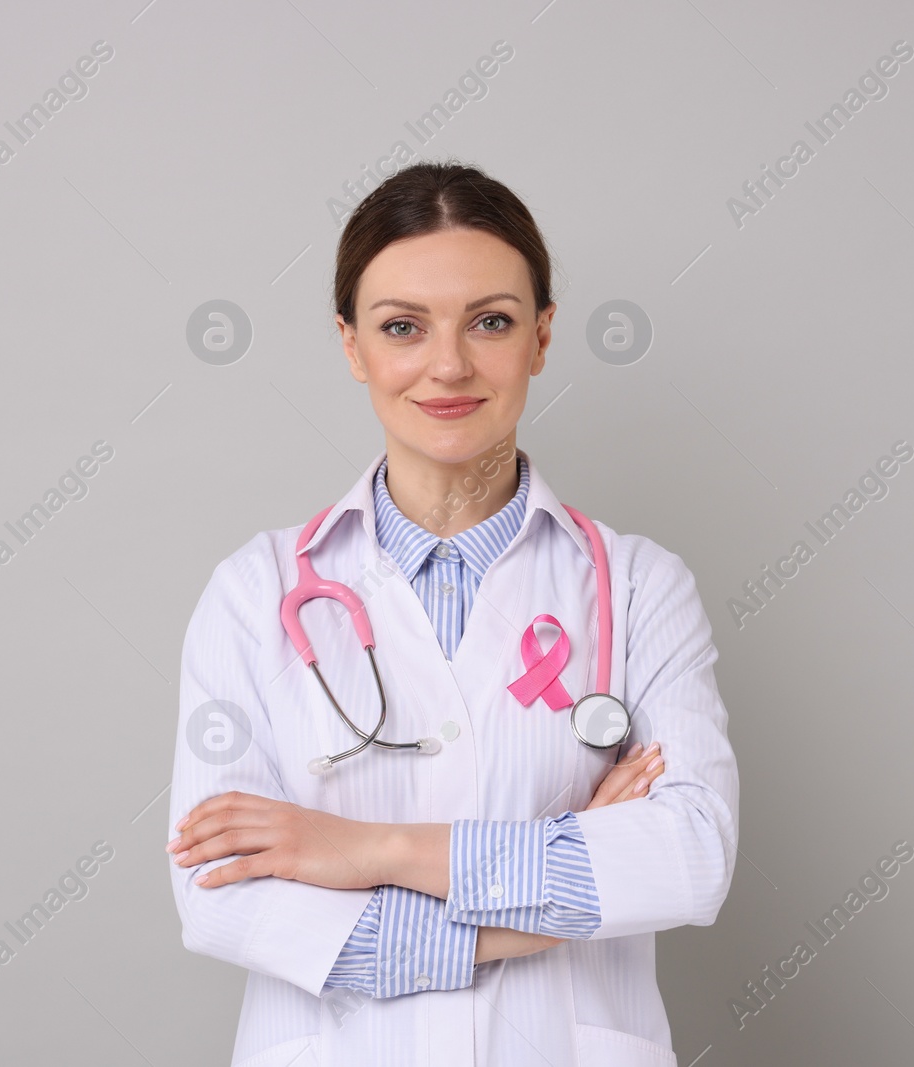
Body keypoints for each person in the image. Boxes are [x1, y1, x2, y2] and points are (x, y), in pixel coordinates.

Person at [166, 161, 739, 1066]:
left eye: (492, 322)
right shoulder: (255, 591)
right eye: (403, 327)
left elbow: (689, 857)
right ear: (353, 346)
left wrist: (365, 848)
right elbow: (219, 893)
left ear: (542, 336)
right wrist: (549, 902)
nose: (449, 365)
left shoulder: (637, 587)